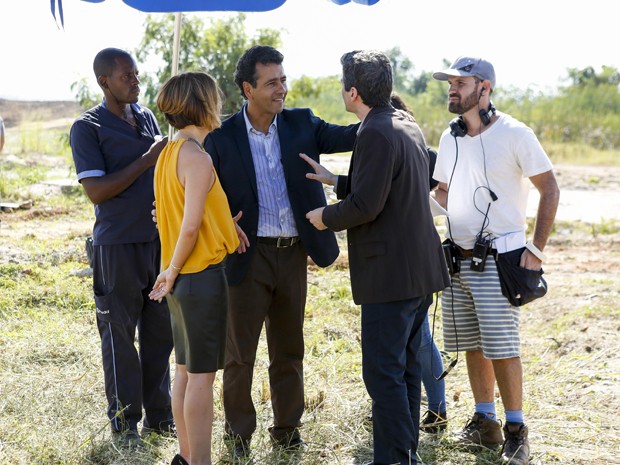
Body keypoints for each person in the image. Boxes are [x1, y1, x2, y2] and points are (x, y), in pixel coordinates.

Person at [202, 45, 359, 460]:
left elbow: (352, 136)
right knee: (239, 355)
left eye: (283, 80)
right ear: (247, 88)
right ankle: (238, 437)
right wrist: (223, 223)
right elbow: (202, 193)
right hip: (246, 257)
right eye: (272, 82)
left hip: (294, 255)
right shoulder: (220, 138)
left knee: (289, 350)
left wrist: (384, 111)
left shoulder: (302, 123)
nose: (282, 89)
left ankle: (288, 431)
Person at [303, 50, 450, 465]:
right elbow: (394, 186)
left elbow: (367, 206)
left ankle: (393, 458)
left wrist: (323, 217)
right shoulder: (404, 124)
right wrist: (337, 181)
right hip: (417, 272)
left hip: (392, 277)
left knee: (382, 374)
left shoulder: (373, 133)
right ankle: (402, 455)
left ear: (352, 92)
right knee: (402, 369)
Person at [432, 56, 560, 465]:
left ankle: (517, 430)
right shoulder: (450, 137)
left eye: (459, 82)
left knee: (502, 347)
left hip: (501, 258)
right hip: (458, 257)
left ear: (484, 87)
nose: (451, 89)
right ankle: (484, 420)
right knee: (471, 343)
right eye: (449, 83)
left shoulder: (515, 133)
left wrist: (535, 251)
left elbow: (550, 188)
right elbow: (442, 193)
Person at [69, 47, 174, 447]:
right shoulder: (88, 128)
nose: (135, 81)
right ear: (104, 82)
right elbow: (95, 192)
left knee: (159, 333)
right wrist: (147, 160)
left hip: (158, 242)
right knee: (119, 336)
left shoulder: (147, 116)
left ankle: (161, 418)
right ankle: (125, 423)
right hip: (117, 246)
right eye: (126, 76)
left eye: (135, 74)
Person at [148, 72, 244, 465]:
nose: (219, 102)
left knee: (184, 372)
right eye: (215, 97)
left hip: (181, 279)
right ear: (202, 105)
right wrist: (171, 270)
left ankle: (186, 458)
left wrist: (226, 223)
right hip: (198, 276)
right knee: (202, 377)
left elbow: (180, 216)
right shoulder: (197, 157)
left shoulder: (169, 153)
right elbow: (188, 227)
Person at [391, 91, 449, 433]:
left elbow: (446, 187)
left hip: (414, 258)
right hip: (394, 259)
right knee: (402, 340)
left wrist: (422, 207)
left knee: (421, 338)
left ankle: (438, 411)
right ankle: (399, 409)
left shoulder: (422, 152)